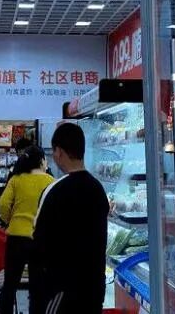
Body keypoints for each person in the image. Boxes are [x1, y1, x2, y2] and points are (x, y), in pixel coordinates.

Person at [32, 123, 109, 314]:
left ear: (58, 152)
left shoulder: (54, 191)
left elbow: (39, 244)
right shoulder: (98, 190)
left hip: (61, 293)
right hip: (93, 290)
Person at [0, 146, 54, 314]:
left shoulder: (16, 179)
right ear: (42, 161)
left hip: (16, 238)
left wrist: (10, 221)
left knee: (10, 285)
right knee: (38, 287)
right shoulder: (51, 181)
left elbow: (3, 205)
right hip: (40, 239)